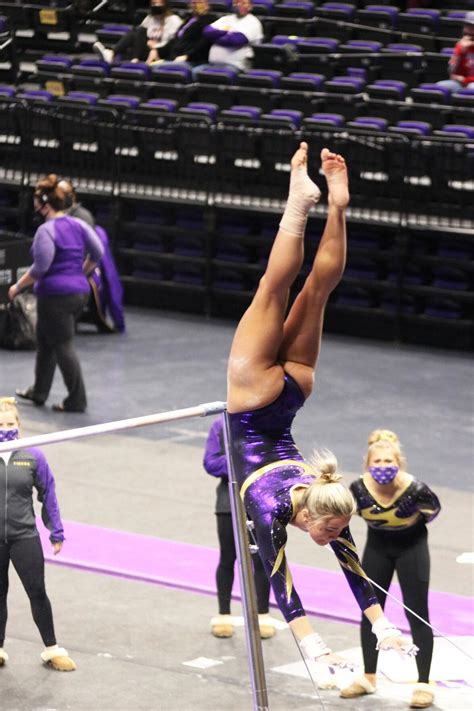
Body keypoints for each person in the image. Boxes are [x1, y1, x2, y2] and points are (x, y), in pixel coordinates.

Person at [225, 142, 416, 684]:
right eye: (334, 530)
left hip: (290, 395)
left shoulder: (326, 499)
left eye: (334, 531)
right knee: (282, 287)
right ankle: (307, 203)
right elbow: (284, 583)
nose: (335, 538)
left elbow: (335, 573)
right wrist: (325, 644)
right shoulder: (295, 504)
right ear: (314, 514)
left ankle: (335, 206)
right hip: (257, 394)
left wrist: (380, 629)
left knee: (313, 288)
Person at [340, 429, 441, 709]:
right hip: (377, 547)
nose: (383, 467)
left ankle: (424, 681)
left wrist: (405, 528)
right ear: (367, 464)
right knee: (370, 612)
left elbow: (432, 513)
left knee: (417, 611)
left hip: (412, 547)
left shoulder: (417, 490)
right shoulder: (358, 489)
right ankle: (368, 676)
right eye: (378, 462)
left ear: (400, 463)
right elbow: (346, 513)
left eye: (388, 462)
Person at [9, 174, 104, 413]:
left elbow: (41, 267)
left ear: (44, 203)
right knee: (45, 340)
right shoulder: (79, 224)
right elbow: (98, 251)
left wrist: (18, 286)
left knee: (62, 344)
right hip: (78, 293)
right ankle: (39, 391)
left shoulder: (46, 231)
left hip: (56, 297)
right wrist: (82, 271)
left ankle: (76, 399)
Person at [0, 397, 76, 671]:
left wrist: (56, 531)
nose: (5, 428)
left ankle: (52, 648)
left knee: (37, 592)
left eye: (10, 423)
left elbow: (48, 494)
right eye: (0, 424)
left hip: (24, 535)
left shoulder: (33, 456)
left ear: (19, 425)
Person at [204, 415, 275, 640]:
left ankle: (262, 614)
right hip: (229, 501)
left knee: (262, 560)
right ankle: (223, 613)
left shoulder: (269, 422)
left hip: (259, 499)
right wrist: (243, 460)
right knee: (228, 557)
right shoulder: (221, 424)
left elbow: (276, 459)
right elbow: (210, 462)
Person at [93, 0, 182, 65]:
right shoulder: (150, 18)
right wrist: (150, 46)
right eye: (154, 4)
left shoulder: (174, 20)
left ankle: (135, 58)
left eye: (159, 3)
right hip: (147, 50)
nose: (156, 6)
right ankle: (111, 54)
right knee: (135, 32)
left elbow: (172, 43)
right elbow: (140, 34)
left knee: (139, 31)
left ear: (165, 5)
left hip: (162, 52)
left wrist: (155, 48)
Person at [199, 0, 263, 73]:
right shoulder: (226, 19)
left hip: (236, 66)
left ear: (250, 6)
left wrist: (215, 37)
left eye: (243, 3)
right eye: (236, 2)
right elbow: (207, 32)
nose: (239, 5)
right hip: (213, 64)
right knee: (196, 71)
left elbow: (237, 40)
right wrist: (227, 33)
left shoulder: (253, 22)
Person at [153, 0, 213, 65]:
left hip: (192, 60)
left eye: (200, 3)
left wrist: (188, 56)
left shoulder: (209, 20)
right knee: (151, 66)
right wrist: (157, 51)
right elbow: (175, 40)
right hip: (174, 57)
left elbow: (204, 43)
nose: (196, 5)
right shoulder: (189, 19)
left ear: (207, 5)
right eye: (193, 3)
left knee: (158, 68)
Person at [436, 11, 474, 94]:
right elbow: (452, 73)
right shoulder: (461, 45)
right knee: (439, 87)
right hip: (461, 83)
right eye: (467, 25)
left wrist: (465, 80)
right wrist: (459, 53)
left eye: (472, 26)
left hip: (470, 83)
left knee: (472, 88)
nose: (469, 30)